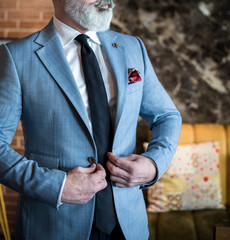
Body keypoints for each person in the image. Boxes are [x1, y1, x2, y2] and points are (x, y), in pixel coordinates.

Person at [0, 0, 182, 239]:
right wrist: (58, 186)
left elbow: (167, 116)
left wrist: (153, 164)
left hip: (128, 224)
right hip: (53, 224)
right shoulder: (16, 57)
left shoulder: (132, 47)